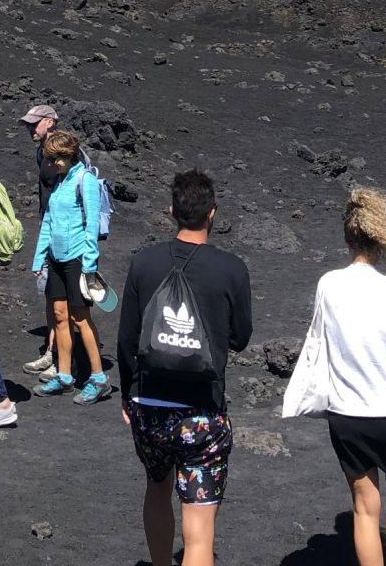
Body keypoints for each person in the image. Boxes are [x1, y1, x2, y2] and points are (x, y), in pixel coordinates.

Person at [117, 170, 252, 566]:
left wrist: (128, 396)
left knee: (156, 488)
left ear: (172, 210)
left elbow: (127, 341)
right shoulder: (232, 269)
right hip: (202, 411)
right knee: (198, 523)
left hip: (149, 404)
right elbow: (241, 337)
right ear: (212, 214)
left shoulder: (143, 263)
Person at [311, 187, 386, 566]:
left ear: (347, 236)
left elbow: (321, 343)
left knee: (364, 507)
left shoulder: (328, 284)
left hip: (349, 415)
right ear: (381, 238)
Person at [31, 129, 111, 403]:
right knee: (59, 315)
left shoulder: (84, 180)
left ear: (68, 155)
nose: (51, 165)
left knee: (80, 318)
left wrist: (89, 265)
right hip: (55, 259)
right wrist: (39, 257)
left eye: (55, 160)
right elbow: (49, 223)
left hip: (77, 260)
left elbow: (91, 225)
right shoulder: (60, 182)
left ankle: (98, 378)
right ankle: (65, 377)